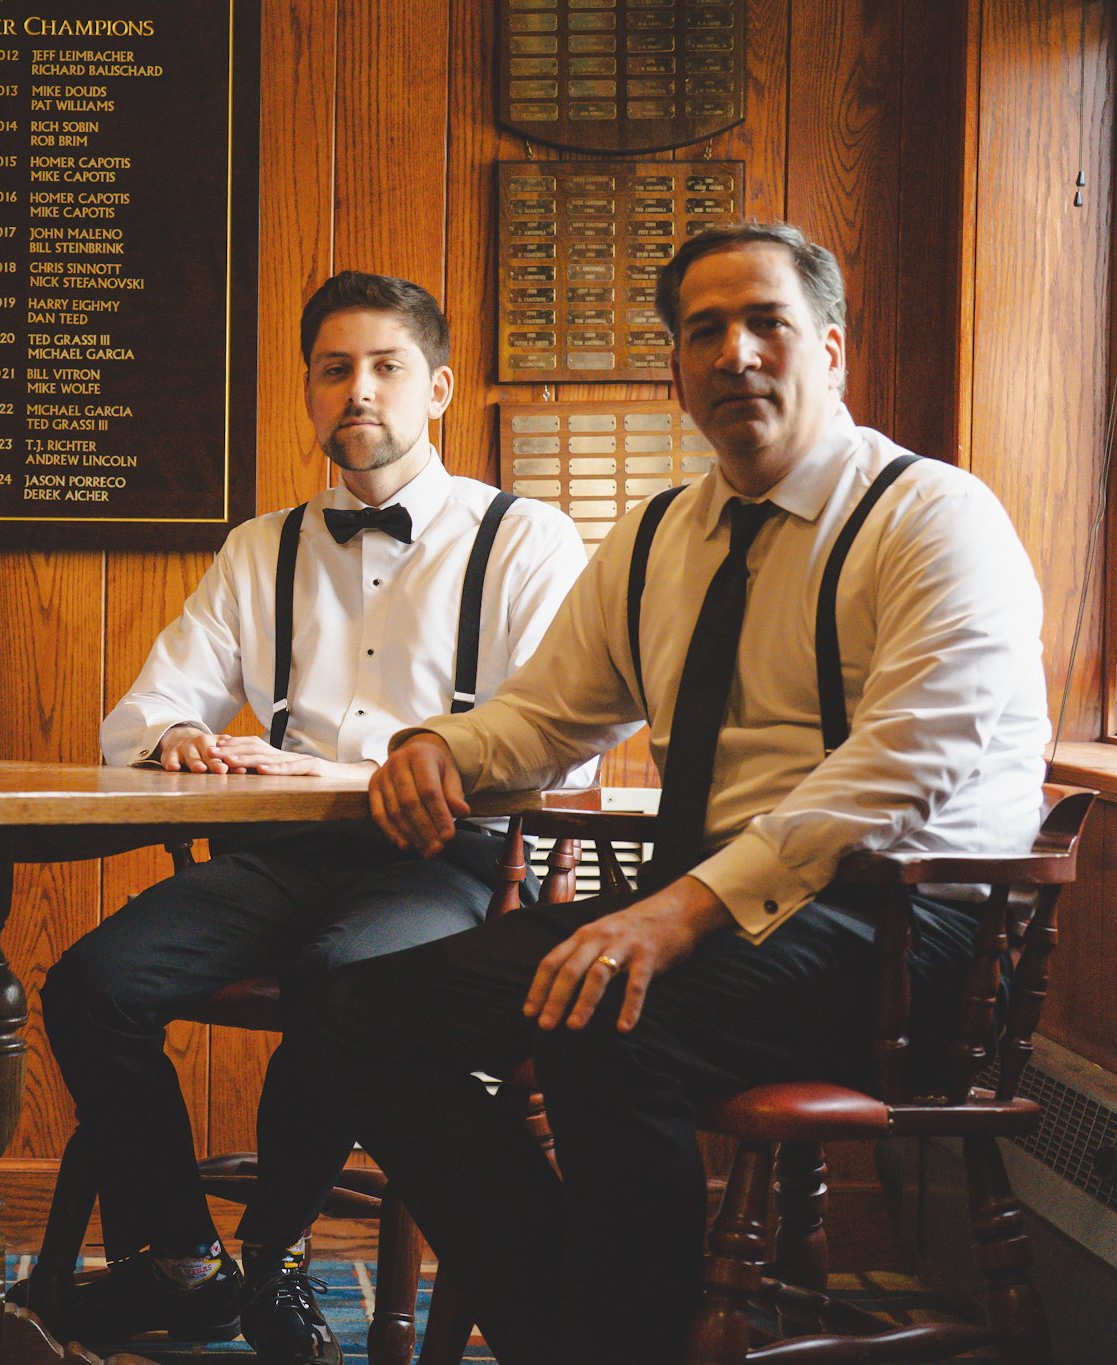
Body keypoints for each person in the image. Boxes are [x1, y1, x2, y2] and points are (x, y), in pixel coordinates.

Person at [279, 223, 1051, 1364]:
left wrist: (680, 908)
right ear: (677, 368)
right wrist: (441, 749)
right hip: (699, 923)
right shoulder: (654, 538)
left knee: (603, 1022)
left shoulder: (933, 517)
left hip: (899, 936)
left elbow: (907, 758)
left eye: (765, 324)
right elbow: (544, 715)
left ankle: (604, 1336)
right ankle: (575, 1334)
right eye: (703, 331)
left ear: (828, 350)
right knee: (355, 1016)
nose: (734, 352)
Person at [29, 272, 589, 1365]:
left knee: (346, 985)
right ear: (307, 392)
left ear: (433, 388)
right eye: (333, 369)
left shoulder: (523, 541)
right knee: (90, 984)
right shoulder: (259, 548)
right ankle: (187, 1263)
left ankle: (269, 1252)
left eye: (383, 367)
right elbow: (133, 716)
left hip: (449, 862)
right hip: (275, 860)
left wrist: (354, 767)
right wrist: (174, 738)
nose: (357, 391)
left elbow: (564, 740)